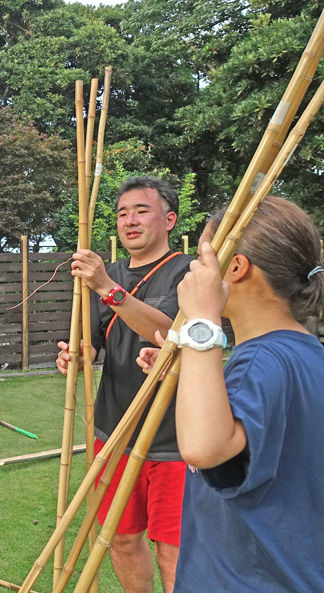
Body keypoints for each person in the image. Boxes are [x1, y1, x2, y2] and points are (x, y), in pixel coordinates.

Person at [137, 197, 324, 592]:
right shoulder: (305, 352)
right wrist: (194, 374)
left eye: (200, 260)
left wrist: (201, 323)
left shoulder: (259, 360)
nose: (190, 270)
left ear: (234, 268)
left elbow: (204, 448)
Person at [56, 176, 193, 593]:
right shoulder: (109, 273)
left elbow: (168, 333)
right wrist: (77, 357)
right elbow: (91, 347)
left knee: (174, 550)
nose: (129, 220)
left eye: (141, 210)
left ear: (169, 219)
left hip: (174, 438)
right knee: (120, 535)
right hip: (113, 431)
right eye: (121, 213)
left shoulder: (185, 271)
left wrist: (107, 290)